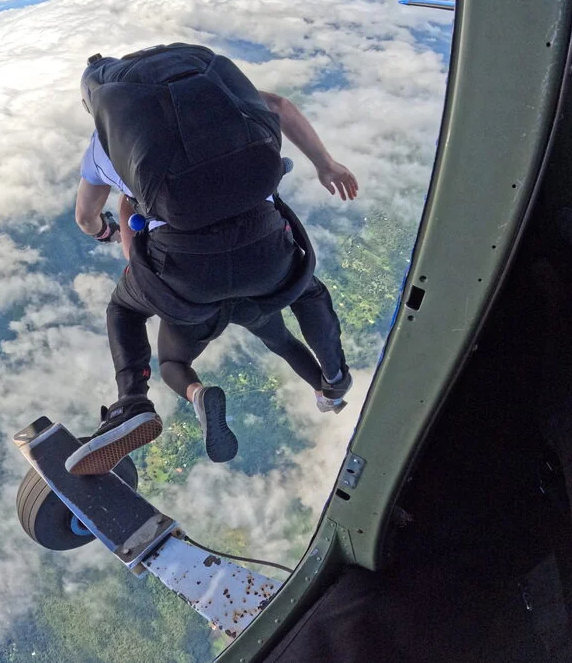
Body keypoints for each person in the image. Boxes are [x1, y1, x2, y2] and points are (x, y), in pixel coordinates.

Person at [68, 46, 358, 476]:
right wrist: (326, 164)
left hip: (186, 278)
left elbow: (86, 217)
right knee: (301, 298)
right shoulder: (215, 95)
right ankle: (333, 381)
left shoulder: (105, 146)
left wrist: (106, 231)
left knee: (133, 319)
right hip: (264, 254)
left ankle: (137, 401)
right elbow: (280, 106)